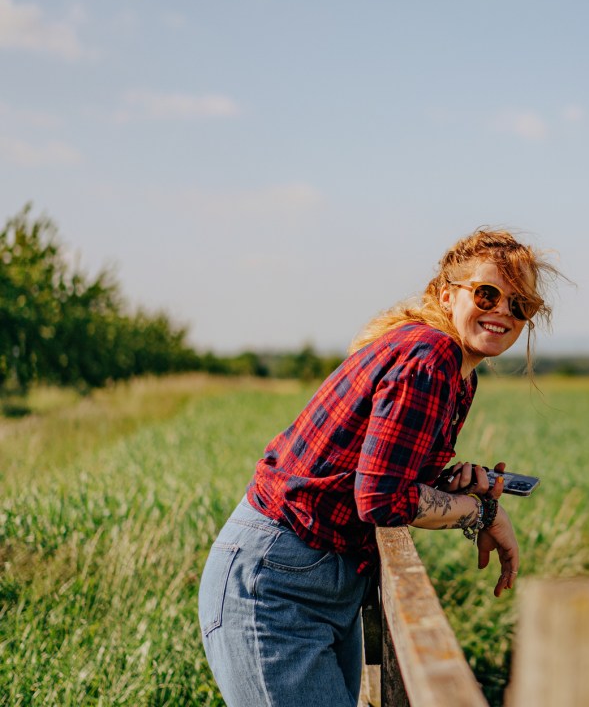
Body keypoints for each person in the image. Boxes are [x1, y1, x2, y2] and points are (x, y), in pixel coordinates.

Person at [197, 228, 560, 707]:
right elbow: (382, 499)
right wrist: (479, 512)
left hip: (316, 585)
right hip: (276, 589)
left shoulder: (457, 376)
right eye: (488, 294)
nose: (502, 313)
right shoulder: (431, 355)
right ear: (448, 294)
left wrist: (458, 488)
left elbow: (388, 474)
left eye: (520, 306)